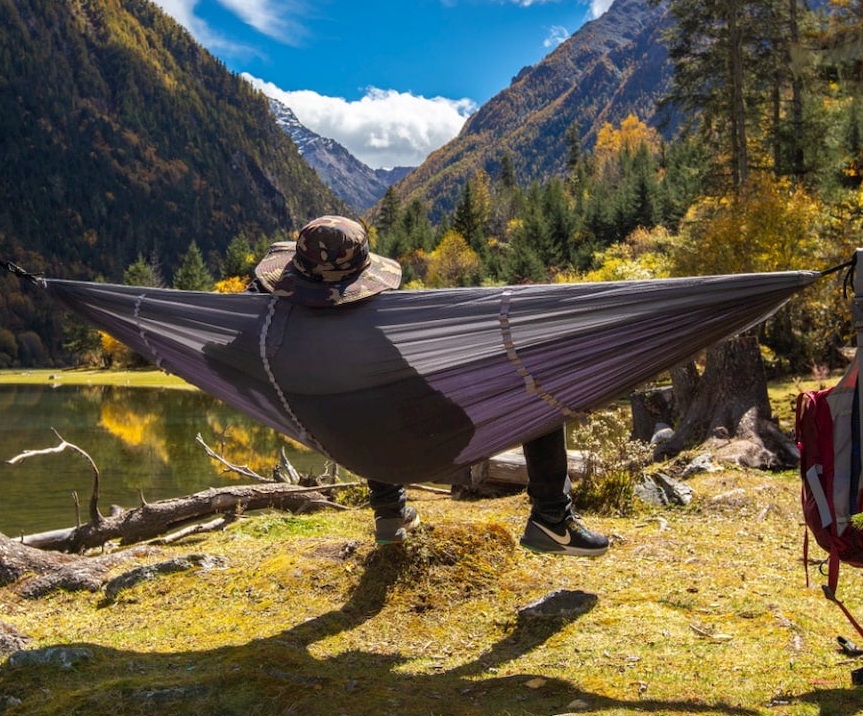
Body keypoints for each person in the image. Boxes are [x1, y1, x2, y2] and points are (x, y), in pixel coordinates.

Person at [252, 215, 608, 558]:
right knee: (535, 383)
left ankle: (390, 514)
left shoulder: (274, 329)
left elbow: (231, 335)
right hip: (435, 443)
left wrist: (259, 295)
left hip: (341, 439)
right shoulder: (384, 331)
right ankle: (552, 518)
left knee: (369, 409)